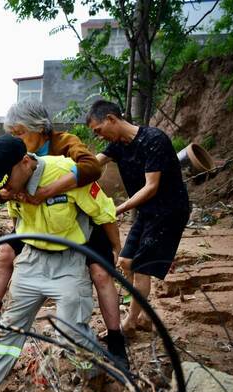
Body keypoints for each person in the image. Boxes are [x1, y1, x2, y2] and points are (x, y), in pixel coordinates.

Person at [0, 135, 120, 392]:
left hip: (69, 261)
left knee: (73, 328)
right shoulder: (10, 187)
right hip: (32, 260)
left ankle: (93, 375)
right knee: (9, 326)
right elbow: (16, 217)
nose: (5, 188)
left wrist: (117, 250)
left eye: (6, 181)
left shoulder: (65, 173)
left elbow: (104, 212)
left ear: (25, 163)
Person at [0, 101, 127, 362]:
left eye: (20, 133)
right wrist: (6, 192)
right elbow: (0, 186)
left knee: (101, 273)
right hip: (37, 226)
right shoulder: (14, 152)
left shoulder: (65, 146)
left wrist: (47, 191)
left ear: (40, 129)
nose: (17, 139)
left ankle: (115, 339)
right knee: (4, 252)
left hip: (75, 223)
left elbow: (92, 169)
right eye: (13, 134)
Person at [88, 100, 190, 336]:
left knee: (142, 268)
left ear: (111, 119)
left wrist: (116, 210)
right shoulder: (117, 145)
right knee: (125, 262)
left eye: (98, 130)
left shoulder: (154, 140)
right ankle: (144, 315)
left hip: (169, 210)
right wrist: (62, 173)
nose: (100, 136)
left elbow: (151, 187)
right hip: (147, 211)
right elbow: (92, 165)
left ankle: (130, 322)